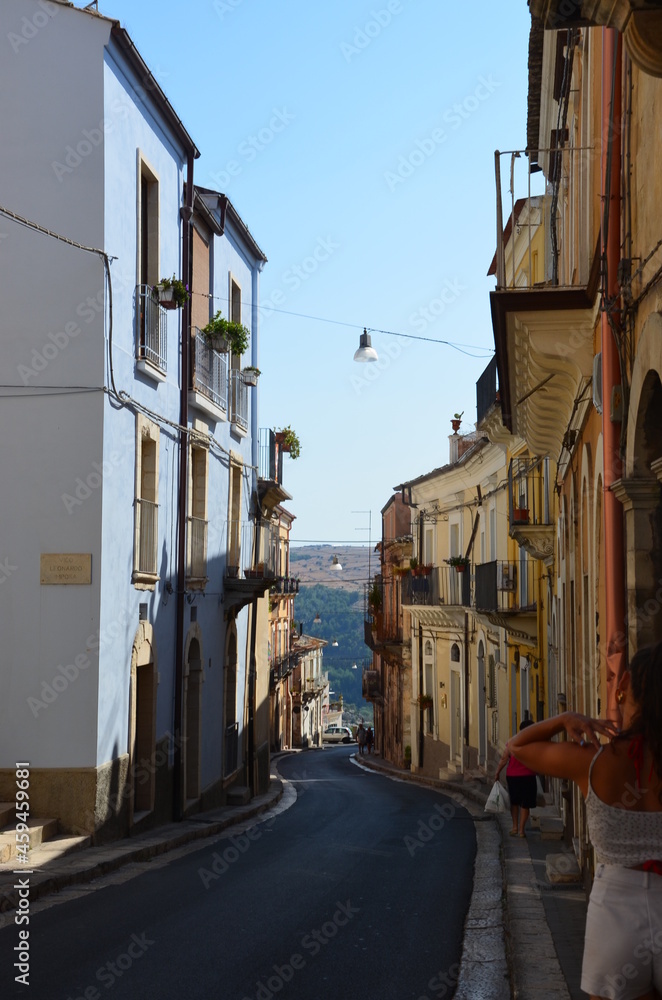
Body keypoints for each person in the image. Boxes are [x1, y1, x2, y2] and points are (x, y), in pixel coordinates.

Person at [506, 641, 662, 1000]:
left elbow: (518, 747)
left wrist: (564, 719)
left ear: (622, 686)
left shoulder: (593, 762)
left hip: (616, 918)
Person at [495, 718, 537, 837]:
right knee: (525, 803)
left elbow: (504, 759)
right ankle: (521, 830)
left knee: (514, 802)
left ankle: (514, 827)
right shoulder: (534, 744)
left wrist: (497, 773)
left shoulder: (512, 742)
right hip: (528, 776)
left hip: (513, 777)